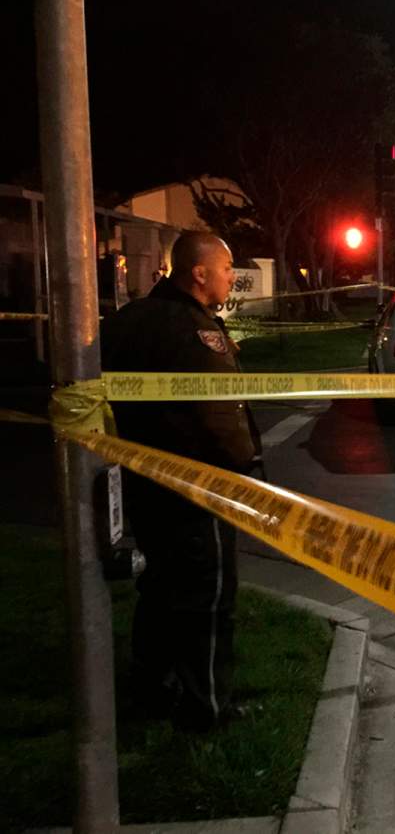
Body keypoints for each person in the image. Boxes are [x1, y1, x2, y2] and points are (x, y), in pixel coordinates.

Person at [102, 232, 261, 730]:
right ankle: (207, 709)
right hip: (198, 485)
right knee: (208, 599)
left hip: (144, 480)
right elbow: (219, 415)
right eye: (226, 268)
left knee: (159, 590)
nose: (231, 277)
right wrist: (244, 468)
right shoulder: (195, 332)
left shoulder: (128, 319)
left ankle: (149, 690)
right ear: (199, 273)